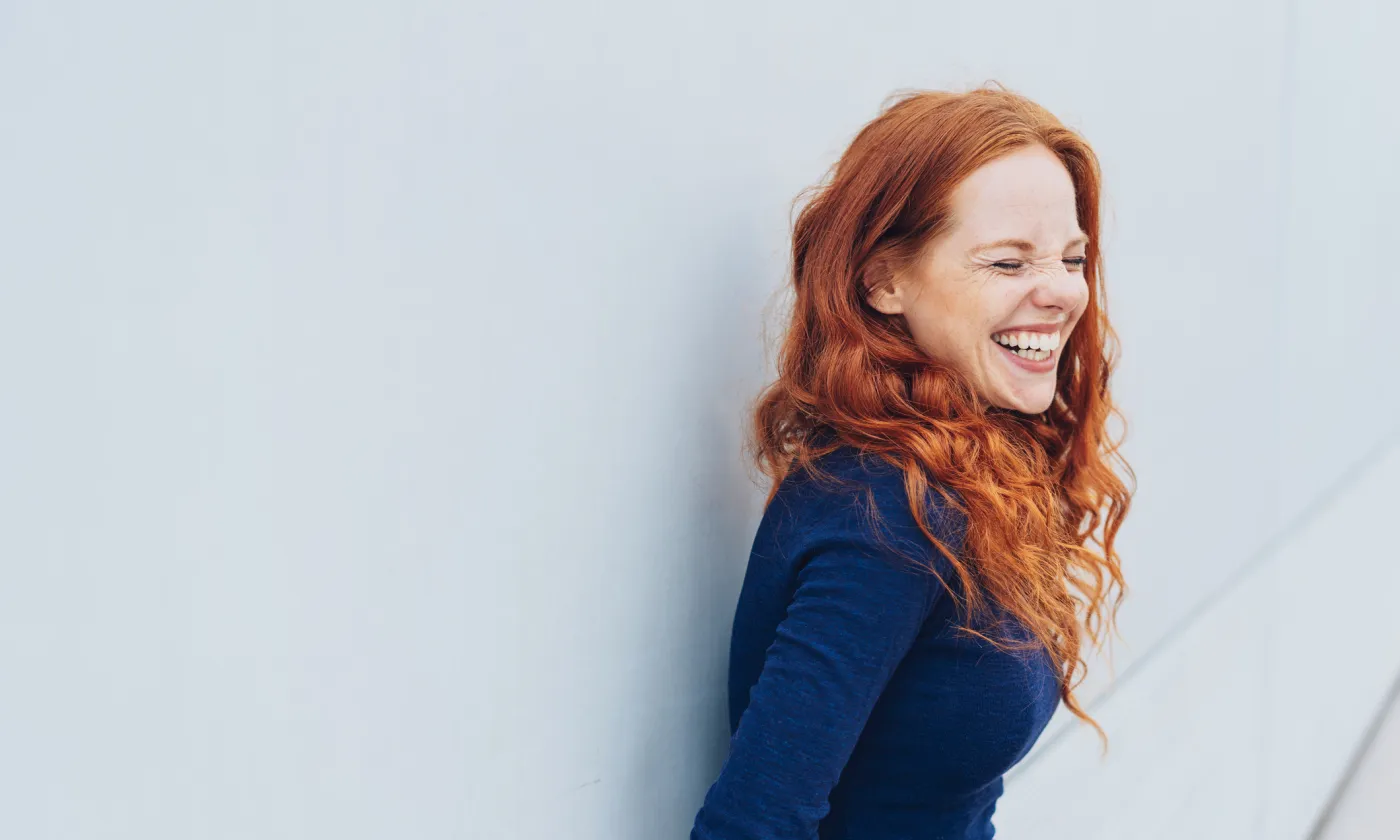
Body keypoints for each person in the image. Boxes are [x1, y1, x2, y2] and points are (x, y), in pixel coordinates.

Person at [688, 84, 1135, 839]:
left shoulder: (968, 469)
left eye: (1072, 258)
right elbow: (752, 822)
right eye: (1007, 262)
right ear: (885, 281)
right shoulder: (887, 511)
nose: (1062, 292)